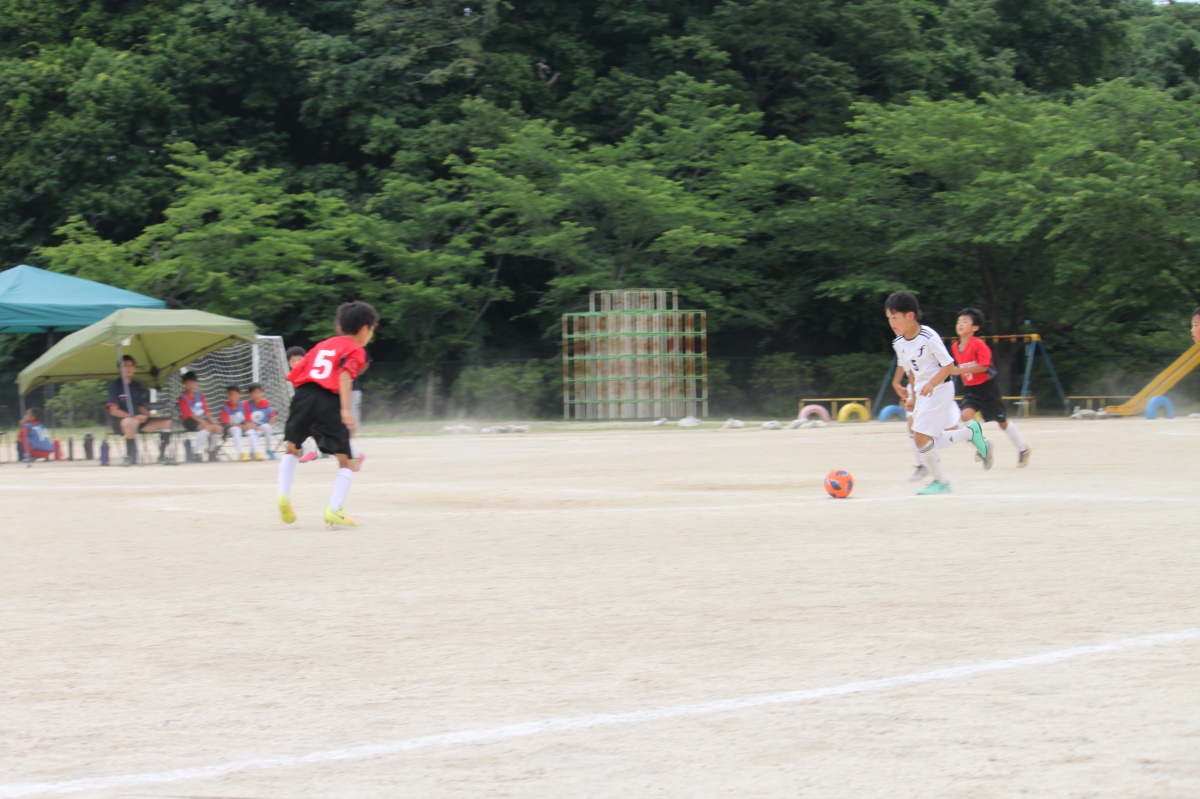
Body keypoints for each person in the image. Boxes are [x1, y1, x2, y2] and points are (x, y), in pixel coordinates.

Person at [277, 301, 377, 528]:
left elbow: (296, 372)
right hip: (328, 401)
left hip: (303, 396)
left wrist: (303, 402)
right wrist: (345, 409)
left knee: (292, 448)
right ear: (364, 329)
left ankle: (283, 495)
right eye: (372, 329)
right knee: (346, 461)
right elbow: (344, 375)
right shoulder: (356, 350)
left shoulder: (323, 345)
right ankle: (334, 509)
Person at [886, 291, 991, 495]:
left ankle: (941, 482)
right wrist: (913, 397)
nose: (892, 323)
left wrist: (932, 383)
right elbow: (912, 372)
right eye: (889, 318)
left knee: (921, 438)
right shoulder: (898, 343)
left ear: (910, 316)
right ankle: (969, 433)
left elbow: (948, 365)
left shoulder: (928, 336)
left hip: (940, 388)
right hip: (922, 392)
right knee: (925, 439)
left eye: (895, 317)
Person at [951, 309, 1032, 468]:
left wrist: (960, 370)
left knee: (1001, 421)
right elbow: (962, 371)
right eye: (958, 321)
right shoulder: (955, 347)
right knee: (965, 416)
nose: (960, 324)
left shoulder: (978, 344)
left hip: (987, 388)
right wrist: (964, 381)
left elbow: (983, 366)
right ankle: (983, 446)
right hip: (971, 389)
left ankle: (1024, 449)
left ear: (975, 327)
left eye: (965, 321)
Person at [107, 354, 173, 466]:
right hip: (121, 422)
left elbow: (140, 406)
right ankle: (130, 456)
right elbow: (114, 411)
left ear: (134, 368)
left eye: (131, 365)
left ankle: (162, 455)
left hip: (138, 419)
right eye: (125, 366)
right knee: (131, 422)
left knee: (166, 422)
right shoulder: (115, 385)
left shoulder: (136, 385)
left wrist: (149, 415)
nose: (128, 368)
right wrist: (133, 417)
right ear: (119, 369)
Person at [177, 371, 222, 462]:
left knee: (218, 428)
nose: (191, 384)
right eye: (188, 382)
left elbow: (206, 410)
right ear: (185, 384)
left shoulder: (200, 395)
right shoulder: (183, 397)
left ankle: (211, 451)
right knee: (207, 427)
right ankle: (196, 452)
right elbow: (189, 413)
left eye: (193, 382)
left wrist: (211, 419)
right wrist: (201, 421)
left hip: (201, 419)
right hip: (190, 420)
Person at [286, 346, 320, 463]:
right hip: (307, 407)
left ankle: (354, 454)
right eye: (293, 361)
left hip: (317, 405)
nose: (296, 363)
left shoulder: (310, 372)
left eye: (299, 359)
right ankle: (310, 451)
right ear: (289, 363)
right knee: (297, 427)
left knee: (329, 432)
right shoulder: (294, 375)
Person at [241, 383, 278, 461]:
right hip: (251, 427)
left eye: (259, 392)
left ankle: (269, 449)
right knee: (252, 432)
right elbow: (247, 421)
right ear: (249, 394)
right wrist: (256, 427)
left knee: (267, 427)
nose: (257, 395)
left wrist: (269, 423)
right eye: (254, 393)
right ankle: (256, 452)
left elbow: (272, 416)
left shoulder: (265, 402)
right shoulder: (246, 404)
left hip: (261, 426)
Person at [218, 385, 250, 461]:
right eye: (229, 395)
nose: (231, 397)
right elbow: (227, 423)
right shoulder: (225, 407)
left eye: (233, 394)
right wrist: (241, 427)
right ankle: (241, 453)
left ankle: (255, 452)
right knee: (236, 429)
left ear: (239, 395)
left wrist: (248, 425)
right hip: (229, 429)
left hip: (242, 427)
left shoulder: (244, 405)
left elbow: (248, 418)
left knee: (252, 431)